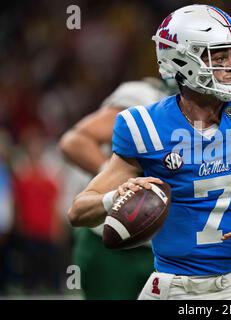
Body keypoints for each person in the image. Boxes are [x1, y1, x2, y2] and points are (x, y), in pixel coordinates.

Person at [67, 4, 231, 300]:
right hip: (172, 286)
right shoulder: (145, 126)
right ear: (181, 62)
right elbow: (78, 212)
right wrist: (114, 197)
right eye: (219, 57)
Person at [59, 78, 170, 299]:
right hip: (114, 243)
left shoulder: (217, 108)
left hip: (167, 245)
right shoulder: (144, 95)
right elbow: (74, 141)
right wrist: (118, 182)